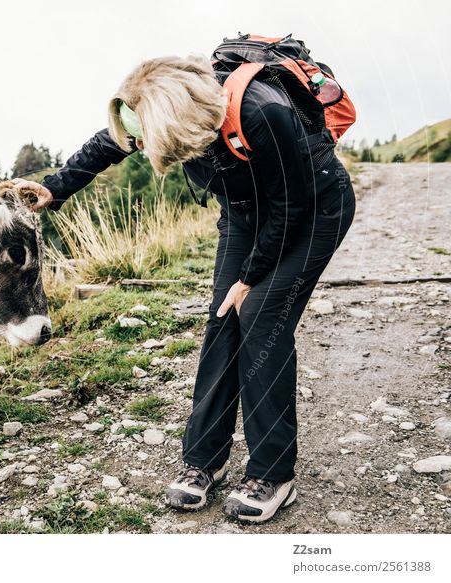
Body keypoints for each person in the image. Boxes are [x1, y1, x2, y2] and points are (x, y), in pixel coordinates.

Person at [18, 53, 355, 523]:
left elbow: (291, 206)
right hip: (244, 212)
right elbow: (110, 143)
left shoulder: (262, 111)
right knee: (222, 323)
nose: (143, 144)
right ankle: (204, 462)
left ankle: (273, 473)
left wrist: (249, 279)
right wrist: (56, 187)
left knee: (260, 318)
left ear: (182, 125)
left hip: (314, 208)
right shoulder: (156, 106)